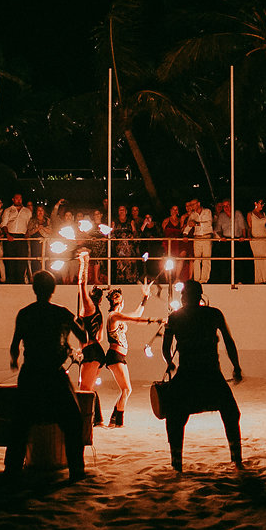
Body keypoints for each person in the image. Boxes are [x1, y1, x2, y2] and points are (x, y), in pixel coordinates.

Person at [5, 270, 88, 482]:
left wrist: (15, 361)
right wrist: (79, 320)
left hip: (30, 373)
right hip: (53, 375)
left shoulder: (24, 313)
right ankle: (76, 470)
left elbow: (15, 346)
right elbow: (84, 337)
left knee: (19, 424)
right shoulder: (62, 313)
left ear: (34, 289)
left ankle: (12, 469)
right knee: (73, 421)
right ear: (53, 290)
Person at [161, 280, 243, 471]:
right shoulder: (213, 314)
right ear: (200, 296)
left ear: (184, 297)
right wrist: (236, 367)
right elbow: (229, 342)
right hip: (211, 373)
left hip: (187, 373)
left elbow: (166, 348)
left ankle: (176, 462)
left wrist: (170, 363)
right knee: (231, 413)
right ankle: (236, 458)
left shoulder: (174, 317)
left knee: (174, 416)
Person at [103, 282, 164, 426]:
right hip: (115, 356)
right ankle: (117, 420)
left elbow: (136, 314)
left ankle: (115, 419)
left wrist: (145, 297)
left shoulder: (118, 316)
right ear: (120, 301)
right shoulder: (114, 316)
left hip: (119, 356)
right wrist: (156, 320)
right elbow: (136, 319)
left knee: (126, 390)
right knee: (127, 389)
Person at [75, 250, 106, 426]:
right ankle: (98, 419)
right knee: (89, 388)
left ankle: (86, 421)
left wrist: (84, 262)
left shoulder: (89, 307)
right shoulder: (98, 312)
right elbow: (99, 337)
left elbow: (81, 284)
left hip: (92, 353)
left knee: (84, 390)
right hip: (94, 351)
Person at [1, 192, 32, 284]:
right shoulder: (8, 210)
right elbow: (3, 224)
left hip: (22, 237)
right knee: (10, 260)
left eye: (20, 198)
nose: (19, 200)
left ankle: (20, 281)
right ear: (13, 199)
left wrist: (27, 233)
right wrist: (7, 234)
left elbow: (29, 224)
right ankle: (10, 281)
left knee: (21, 260)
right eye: (17, 198)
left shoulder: (27, 211)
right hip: (10, 237)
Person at [183, 198, 213, 283]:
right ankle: (196, 279)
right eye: (191, 205)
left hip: (206, 237)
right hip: (197, 237)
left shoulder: (207, 211)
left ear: (198, 204)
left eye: (193, 204)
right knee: (196, 259)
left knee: (206, 259)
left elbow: (209, 223)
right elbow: (189, 225)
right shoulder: (192, 215)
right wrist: (185, 234)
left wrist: (196, 223)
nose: (192, 206)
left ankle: (204, 279)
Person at [247, 199, 266, 284]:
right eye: (261, 203)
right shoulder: (250, 214)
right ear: (255, 203)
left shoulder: (264, 214)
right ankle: (260, 279)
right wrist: (249, 236)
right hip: (255, 238)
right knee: (258, 258)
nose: (262, 205)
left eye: (263, 203)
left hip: (264, 238)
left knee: (265, 256)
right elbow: (249, 227)